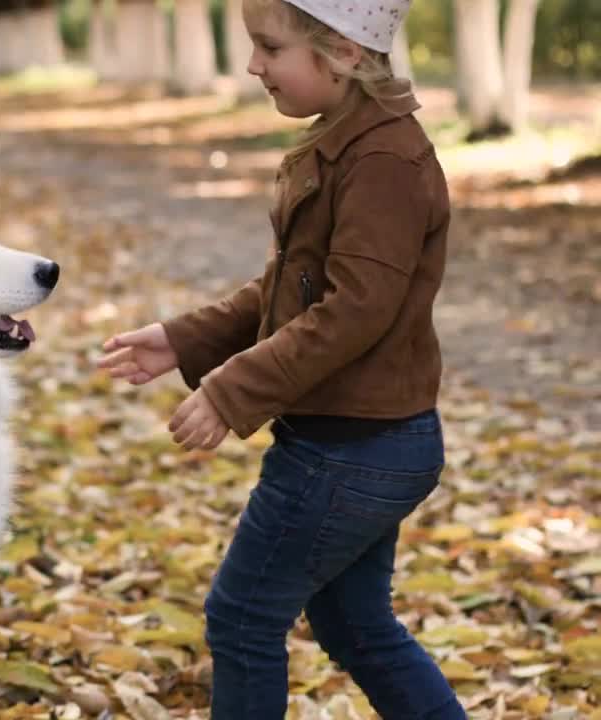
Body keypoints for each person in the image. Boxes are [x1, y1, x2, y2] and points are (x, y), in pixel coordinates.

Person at [97, 0, 464, 717]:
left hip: (351, 451)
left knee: (242, 618)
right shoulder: (352, 140)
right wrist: (185, 340)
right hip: (362, 440)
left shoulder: (384, 160)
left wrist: (233, 391)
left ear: (347, 54)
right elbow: (292, 288)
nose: (253, 65)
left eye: (270, 48)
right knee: (355, 625)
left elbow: (353, 311)